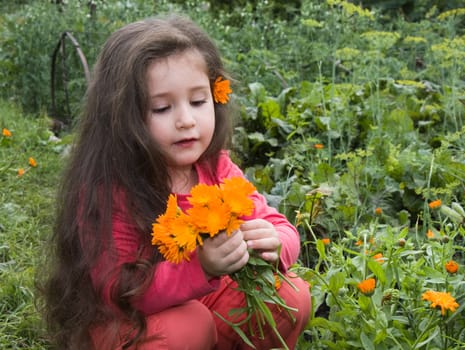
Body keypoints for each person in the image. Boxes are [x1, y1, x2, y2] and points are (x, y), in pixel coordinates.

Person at [41, 13, 311, 350]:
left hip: (202, 306)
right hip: (131, 320)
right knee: (187, 327)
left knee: (291, 295)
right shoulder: (111, 190)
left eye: (198, 102)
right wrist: (201, 266)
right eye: (162, 108)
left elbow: (276, 223)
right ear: (123, 117)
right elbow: (119, 290)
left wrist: (275, 242)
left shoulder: (216, 168)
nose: (186, 121)